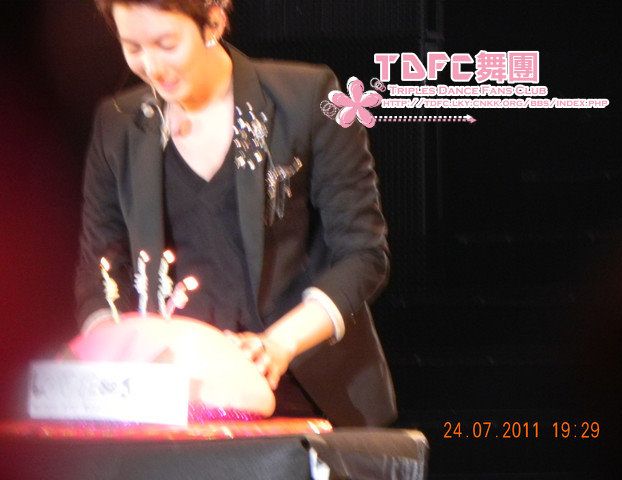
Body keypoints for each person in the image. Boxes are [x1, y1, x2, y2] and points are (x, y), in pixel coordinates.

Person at [76, 0, 396, 426]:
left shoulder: (308, 99)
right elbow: (99, 273)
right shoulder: (117, 125)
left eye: (166, 44)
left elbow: (363, 254)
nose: (151, 67)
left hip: (306, 388)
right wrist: (114, 354)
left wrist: (278, 344)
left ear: (213, 22)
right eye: (133, 47)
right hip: (177, 399)